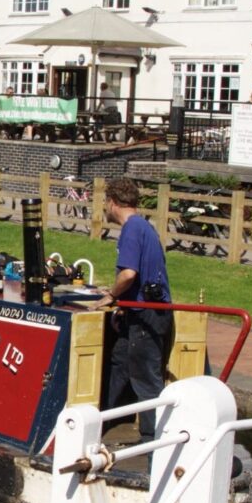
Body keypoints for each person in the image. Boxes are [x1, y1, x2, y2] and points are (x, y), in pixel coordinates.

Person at [97, 177, 172, 442]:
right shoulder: (146, 228)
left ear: (113, 202)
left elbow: (129, 273)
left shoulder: (131, 229)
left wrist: (111, 296)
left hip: (146, 316)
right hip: (144, 313)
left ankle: (154, 442)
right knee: (119, 363)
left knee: (147, 382)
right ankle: (101, 421)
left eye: (106, 202)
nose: (105, 208)